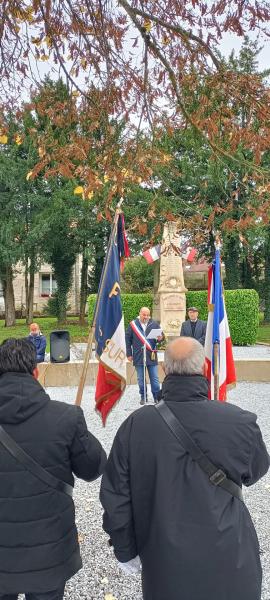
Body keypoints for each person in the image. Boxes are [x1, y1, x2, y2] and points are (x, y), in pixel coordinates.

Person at [100, 337, 269, 600]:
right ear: (203, 368)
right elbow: (256, 471)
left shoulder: (135, 426)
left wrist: (125, 550)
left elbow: (116, 498)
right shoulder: (240, 421)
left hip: (165, 563)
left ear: (164, 370)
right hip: (230, 557)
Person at [0, 338, 107, 600]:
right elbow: (93, 468)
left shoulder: (67, 417)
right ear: (36, 372)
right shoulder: (65, 417)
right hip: (49, 547)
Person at [125, 306, 163, 405]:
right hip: (138, 355)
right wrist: (129, 353)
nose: (146, 317)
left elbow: (161, 338)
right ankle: (143, 396)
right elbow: (127, 340)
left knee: (154, 378)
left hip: (151, 355)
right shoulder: (133, 325)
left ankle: (156, 397)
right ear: (140, 313)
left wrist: (160, 338)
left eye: (147, 315)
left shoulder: (154, 324)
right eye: (144, 315)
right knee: (141, 379)